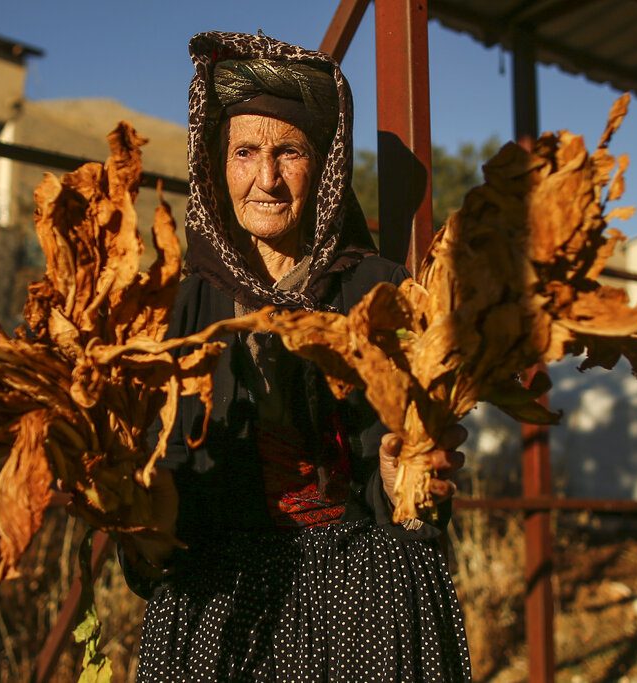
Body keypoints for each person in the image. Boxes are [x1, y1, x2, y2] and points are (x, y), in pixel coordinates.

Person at [121, 31, 472, 682]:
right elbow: (154, 509)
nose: (266, 178)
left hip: (360, 601)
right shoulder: (176, 307)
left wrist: (404, 481)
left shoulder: (379, 292)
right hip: (221, 611)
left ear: (326, 166)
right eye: (246, 151)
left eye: (289, 152)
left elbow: (407, 479)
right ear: (215, 165)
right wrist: (144, 525)